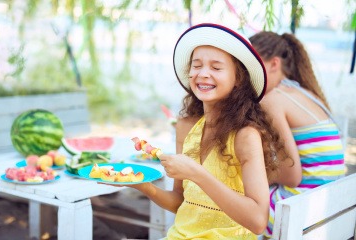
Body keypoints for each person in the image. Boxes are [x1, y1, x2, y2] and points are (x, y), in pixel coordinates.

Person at [105, 23, 288, 239]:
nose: (202, 74)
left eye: (216, 68)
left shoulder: (245, 135)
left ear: (238, 78)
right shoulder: (187, 127)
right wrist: (139, 184)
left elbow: (258, 221)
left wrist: (196, 173)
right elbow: (181, 203)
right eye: (196, 65)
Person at [249, 31, 345, 238]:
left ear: (274, 64)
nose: (247, 76)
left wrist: (252, 173)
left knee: (229, 198)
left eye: (252, 67)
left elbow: (292, 177)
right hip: (327, 208)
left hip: (300, 212)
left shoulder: (272, 100)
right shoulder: (306, 93)